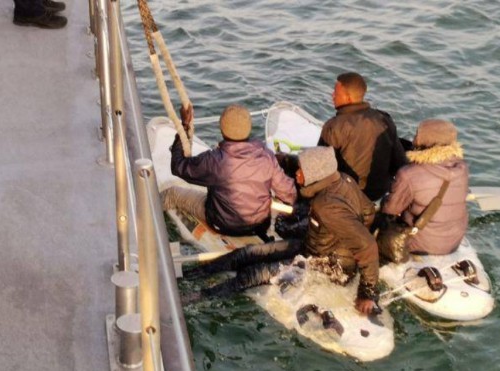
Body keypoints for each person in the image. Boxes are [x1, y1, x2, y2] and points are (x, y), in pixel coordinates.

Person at [184, 147, 380, 315]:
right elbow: (369, 211)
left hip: (328, 265)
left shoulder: (326, 206)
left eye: (301, 170)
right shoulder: (344, 180)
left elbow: (368, 246)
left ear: (315, 174)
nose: (296, 174)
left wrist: (367, 294)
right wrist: (333, 236)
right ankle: (195, 274)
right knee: (248, 253)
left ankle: (198, 296)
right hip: (312, 247)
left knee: (254, 274)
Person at [162, 104, 296, 240]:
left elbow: (178, 166)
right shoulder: (267, 156)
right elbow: (288, 193)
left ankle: (145, 218)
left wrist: (185, 126)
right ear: (249, 128)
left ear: (222, 130)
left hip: (223, 224)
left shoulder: (214, 160)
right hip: (260, 225)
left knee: (172, 193)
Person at [378, 119, 469, 257]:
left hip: (420, 243)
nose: (414, 139)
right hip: (454, 241)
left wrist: (385, 200)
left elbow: (391, 209)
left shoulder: (408, 173)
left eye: (417, 135)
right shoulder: (462, 167)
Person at [317, 72, 407, 201]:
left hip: (348, 196)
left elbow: (320, 168)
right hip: (379, 193)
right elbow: (399, 162)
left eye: (335, 93)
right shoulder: (385, 119)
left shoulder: (334, 126)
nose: (332, 96)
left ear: (348, 98)